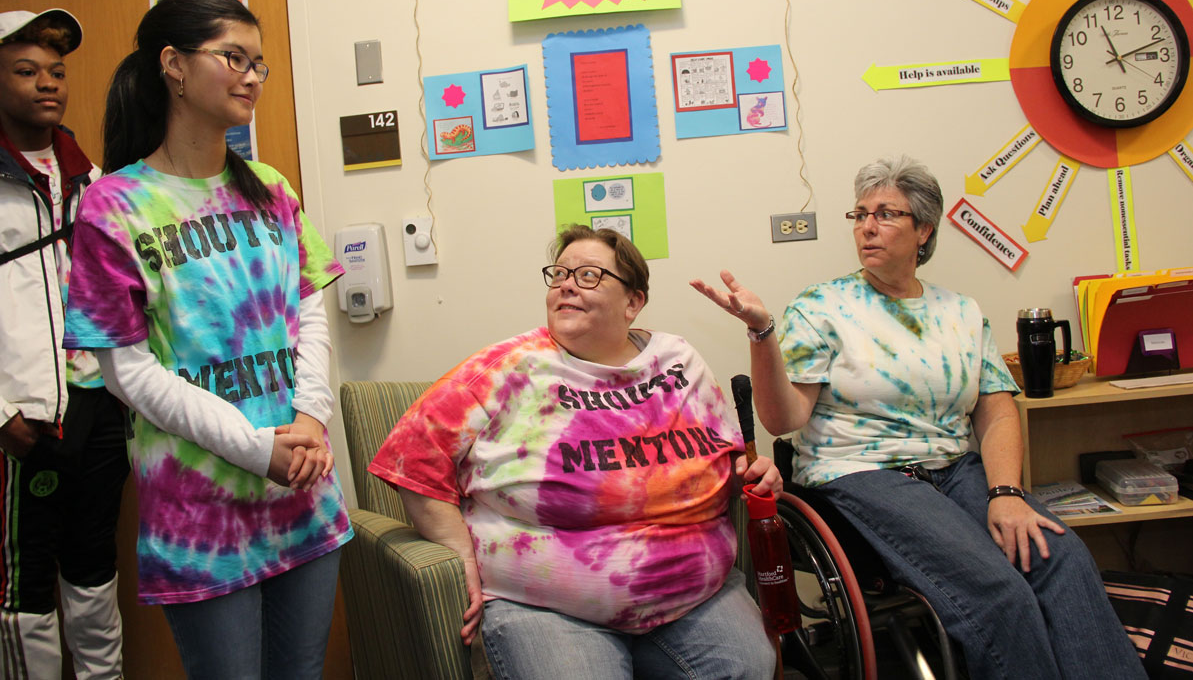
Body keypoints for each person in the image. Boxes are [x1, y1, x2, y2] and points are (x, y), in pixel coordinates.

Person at [692, 156, 1145, 680]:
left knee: (1061, 559)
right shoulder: (822, 306)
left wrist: (1006, 494)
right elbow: (783, 417)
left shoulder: (961, 313)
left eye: (886, 214)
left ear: (924, 229)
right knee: (996, 592)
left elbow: (996, 411)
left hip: (957, 469)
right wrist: (762, 332)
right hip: (862, 474)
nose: (867, 226)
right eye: (860, 214)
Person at [61, 0, 352, 678]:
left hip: (302, 489)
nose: (251, 75)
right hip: (200, 516)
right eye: (233, 58)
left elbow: (308, 308)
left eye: (259, 63)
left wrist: (312, 417)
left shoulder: (272, 188)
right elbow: (126, 371)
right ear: (173, 65)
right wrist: (256, 448)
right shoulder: (113, 205)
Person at [369, 225, 783, 680]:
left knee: (748, 670)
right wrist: (460, 553)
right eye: (559, 274)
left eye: (588, 275)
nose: (566, 284)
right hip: (548, 609)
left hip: (696, 598)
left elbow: (728, 458)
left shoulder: (677, 359)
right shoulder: (509, 366)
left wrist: (756, 473)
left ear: (633, 301)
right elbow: (408, 455)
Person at [0, 8, 128, 679]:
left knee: (93, 566)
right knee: (24, 591)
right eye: (24, 71)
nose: (47, 84)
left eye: (56, 71)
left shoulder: (94, 179)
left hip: (97, 406)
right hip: (21, 419)